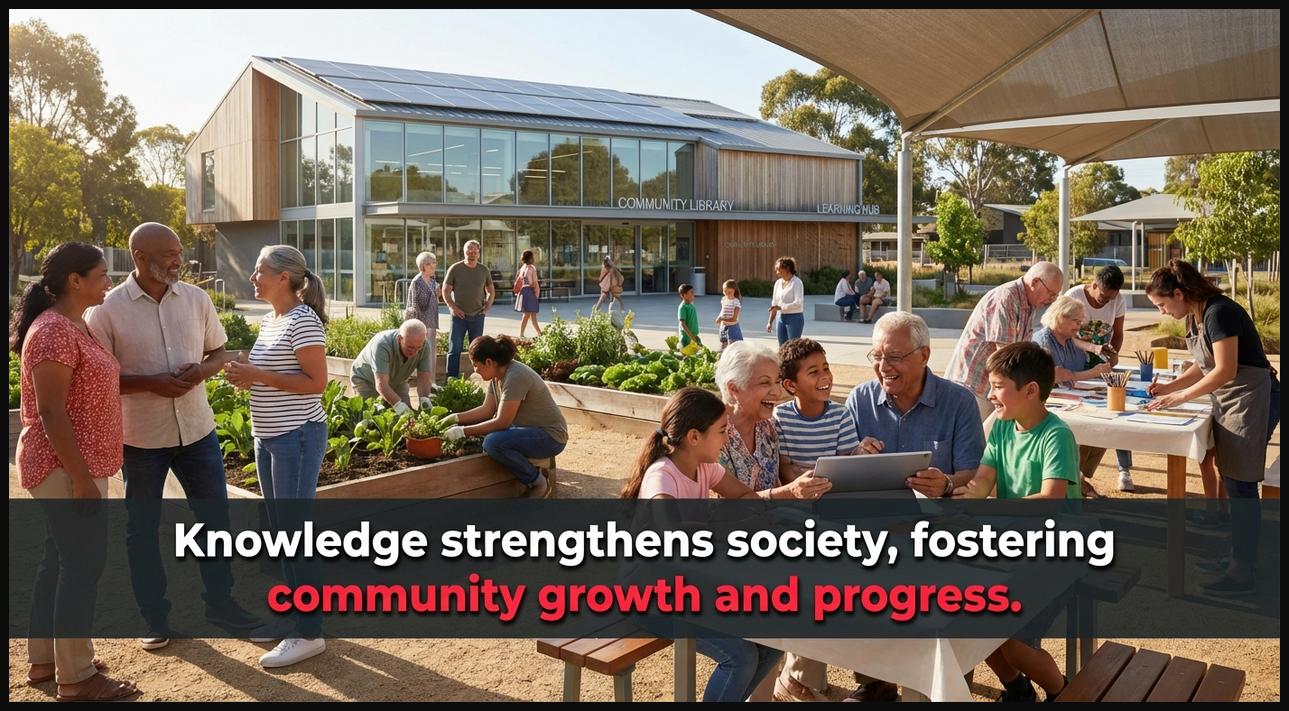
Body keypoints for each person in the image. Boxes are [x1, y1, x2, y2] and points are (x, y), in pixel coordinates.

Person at [86, 222, 259, 651]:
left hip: (197, 430)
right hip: (141, 439)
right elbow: (97, 380)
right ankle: (154, 618)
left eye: (179, 250)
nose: (179, 259)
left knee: (215, 522)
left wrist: (203, 369)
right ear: (140, 258)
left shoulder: (197, 299)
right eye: (169, 253)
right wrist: (151, 382)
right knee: (140, 530)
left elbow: (219, 352)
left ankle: (220, 604)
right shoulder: (105, 311)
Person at [838, 312, 988, 702]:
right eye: (876, 355)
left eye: (894, 357)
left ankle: (942, 688)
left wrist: (949, 482)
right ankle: (876, 682)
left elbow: (973, 472)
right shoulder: (859, 399)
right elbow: (841, 470)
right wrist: (855, 453)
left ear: (924, 355)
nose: (882, 366)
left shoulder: (958, 402)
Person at [14, 242, 140, 701]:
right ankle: (79, 677)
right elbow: (50, 412)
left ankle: (48, 661)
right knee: (81, 567)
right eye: (102, 274)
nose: (109, 281)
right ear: (74, 280)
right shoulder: (52, 333)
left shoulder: (73, 325)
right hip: (65, 468)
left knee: (58, 562)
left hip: (73, 466)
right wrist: (82, 478)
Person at [620, 387, 785, 702]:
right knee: (740, 656)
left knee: (774, 637)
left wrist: (745, 519)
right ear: (694, 437)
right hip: (649, 596)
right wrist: (725, 527)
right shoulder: (662, 475)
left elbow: (746, 498)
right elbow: (674, 535)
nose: (727, 438)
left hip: (690, 586)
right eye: (722, 431)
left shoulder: (705, 466)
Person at [1145, 260, 1279, 596]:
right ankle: (1237, 557)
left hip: (1253, 397)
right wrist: (1170, 386)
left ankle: (1242, 571)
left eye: (1162, 304)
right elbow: (1201, 363)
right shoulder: (1197, 313)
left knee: (1242, 485)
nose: (1162, 311)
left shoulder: (1219, 312)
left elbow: (1225, 369)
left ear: (1179, 293)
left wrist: (1182, 396)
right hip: (1234, 400)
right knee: (1232, 480)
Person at [225, 245, 330, 668]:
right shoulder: (272, 320)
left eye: (259, 269)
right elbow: (278, 376)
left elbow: (316, 383)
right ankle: (296, 616)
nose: (253, 276)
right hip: (268, 436)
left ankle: (309, 633)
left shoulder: (303, 320)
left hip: (297, 437)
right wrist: (247, 376)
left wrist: (257, 375)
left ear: (284, 277)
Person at [955, 342, 1078, 701]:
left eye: (997, 386)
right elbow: (982, 483)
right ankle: (1018, 690)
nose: (990, 395)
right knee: (968, 621)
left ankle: (1061, 692)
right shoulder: (1002, 428)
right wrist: (961, 500)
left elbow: (1051, 500)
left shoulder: (1056, 435)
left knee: (1011, 639)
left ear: (1030, 390)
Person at [770, 338, 868, 702]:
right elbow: (785, 473)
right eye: (815, 371)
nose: (826, 376)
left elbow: (846, 470)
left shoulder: (841, 415)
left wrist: (855, 457)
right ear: (790, 385)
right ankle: (800, 679)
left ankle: (808, 677)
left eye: (826, 367)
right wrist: (811, 478)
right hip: (795, 518)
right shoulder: (780, 419)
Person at [441, 335, 567, 498]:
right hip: (531, 432)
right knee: (490, 439)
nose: (475, 371)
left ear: (488, 362)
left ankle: (538, 482)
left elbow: (502, 422)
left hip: (550, 437)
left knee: (492, 442)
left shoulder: (515, 376)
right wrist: (455, 418)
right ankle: (535, 472)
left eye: (475, 365)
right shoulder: (497, 377)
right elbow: (486, 410)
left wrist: (462, 432)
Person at [714, 342, 833, 500]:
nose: (777, 392)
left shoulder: (769, 427)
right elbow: (726, 507)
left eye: (777, 381)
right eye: (765, 383)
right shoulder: (710, 434)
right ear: (733, 388)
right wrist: (788, 493)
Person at [946, 261, 1065, 419]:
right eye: (1051, 294)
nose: (1052, 299)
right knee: (976, 441)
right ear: (1035, 282)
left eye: (1056, 295)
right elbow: (1006, 356)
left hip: (993, 386)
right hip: (973, 387)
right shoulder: (1007, 298)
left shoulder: (1029, 305)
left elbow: (1021, 354)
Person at [1033, 296, 1114, 498]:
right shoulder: (1044, 341)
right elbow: (1059, 377)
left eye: (1080, 322)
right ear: (1061, 317)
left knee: (1103, 431)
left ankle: (1078, 478)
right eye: (1076, 321)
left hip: (1075, 398)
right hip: (1053, 403)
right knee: (1086, 431)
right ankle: (1075, 482)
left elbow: (1070, 373)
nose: (1079, 326)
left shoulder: (1068, 340)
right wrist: (1094, 373)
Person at [1066, 264, 1135, 491]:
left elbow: (1119, 332)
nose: (1107, 302)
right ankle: (1074, 475)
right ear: (1094, 285)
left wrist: (1113, 357)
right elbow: (1062, 332)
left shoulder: (1117, 300)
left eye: (1111, 298)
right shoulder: (1074, 296)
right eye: (1103, 297)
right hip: (1076, 364)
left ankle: (1123, 470)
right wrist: (1091, 348)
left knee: (1118, 410)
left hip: (1102, 365)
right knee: (1082, 417)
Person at [349, 320, 435, 412]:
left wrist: (424, 399)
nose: (414, 352)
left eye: (418, 348)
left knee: (408, 413)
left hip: (398, 381)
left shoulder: (424, 345)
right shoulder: (382, 345)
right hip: (366, 380)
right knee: (371, 415)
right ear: (399, 339)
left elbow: (424, 379)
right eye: (410, 347)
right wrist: (398, 405)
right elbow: (381, 385)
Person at [442, 239, 495, 379]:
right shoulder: (455, 268)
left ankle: (477, 377)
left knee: (477, 350)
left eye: (474, 250)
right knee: (455, 349)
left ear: (478, 253)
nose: (471, 252)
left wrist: (487, 307)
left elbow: (491, 291)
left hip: (477, 316)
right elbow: (445, 291)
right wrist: (452, 307)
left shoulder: (483, 270)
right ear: (464, 251)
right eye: (469, 249)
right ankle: (451, 379)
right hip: (459, 317)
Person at [404, 251, 440, 388]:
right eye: (430, 263)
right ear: (422, 266)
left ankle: (432, 382)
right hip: (420, 323)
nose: (433, 266)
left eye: (434, 263)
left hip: (431, 322)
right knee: (417, 351)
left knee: (431, 352)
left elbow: (433, 301)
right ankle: (415, 380)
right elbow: (413, 305)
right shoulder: (416, 282)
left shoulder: (432, 281)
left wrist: (438, 295)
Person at [767, 257, 805, 346]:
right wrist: (770, 321)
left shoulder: (797, 282)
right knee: (782, 347)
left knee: (792, 347)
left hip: (795, 318)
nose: (777, 272)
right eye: (776, 269)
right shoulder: (777, 283)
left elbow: (798, 303)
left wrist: (781, 307)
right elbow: (774, 304)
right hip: (780, 318)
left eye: (779, 269)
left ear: (787, 268)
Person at [515, 249, 543, 338]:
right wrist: (537, 294)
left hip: (523, 292)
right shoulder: (532, 268)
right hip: (530, 292)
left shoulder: (522, 268)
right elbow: (534, 282)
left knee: (527, 314)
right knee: (532, 314)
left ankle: (524, 333)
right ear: (530, 258)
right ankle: (538, 333)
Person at [715, 279, 743, 349]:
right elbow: (722, 310)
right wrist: (719, 317)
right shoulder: (724, 299)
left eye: (729, 292)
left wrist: (721, 318)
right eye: (724, 291)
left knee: (732, 347)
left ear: (734, 290)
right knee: (723, 345)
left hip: (732, 327)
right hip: (723, 327)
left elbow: (734, 319)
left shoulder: (736, 302)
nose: (727, 294)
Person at [677, 283, 702, 349]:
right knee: (686, 357)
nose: (693, 294)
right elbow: (682, 324)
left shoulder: (691, 304)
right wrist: (691, 337)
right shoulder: (682, 307)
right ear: (684, 295)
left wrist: (694, 337)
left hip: (694, 336)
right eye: (691, 292)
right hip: (686, 338)